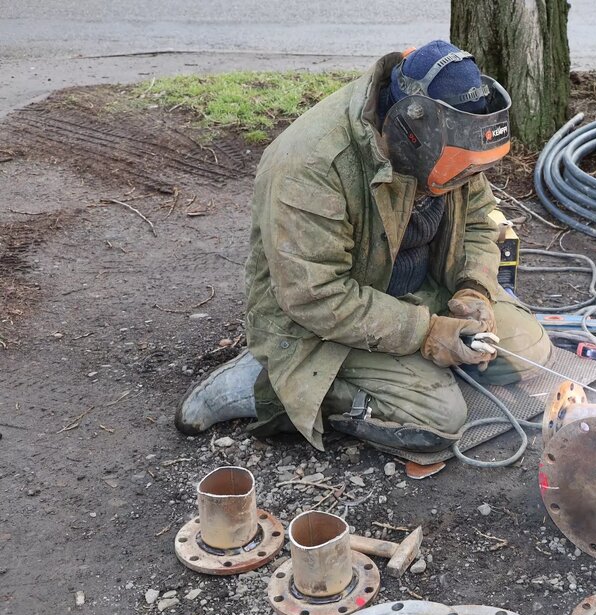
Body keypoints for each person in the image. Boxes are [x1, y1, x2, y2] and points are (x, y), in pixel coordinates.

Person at [174, 40, 552, 456]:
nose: (464, 179)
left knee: (529, 348)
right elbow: (316, 296)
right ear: (411, 131)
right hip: (324, 321)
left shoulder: (452, 131)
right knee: (439, 420)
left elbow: (479, 218)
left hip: (419, 292)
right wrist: (425, 332)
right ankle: (271, 386)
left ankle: (410, 366)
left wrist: (473, 289)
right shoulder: (312, 164)